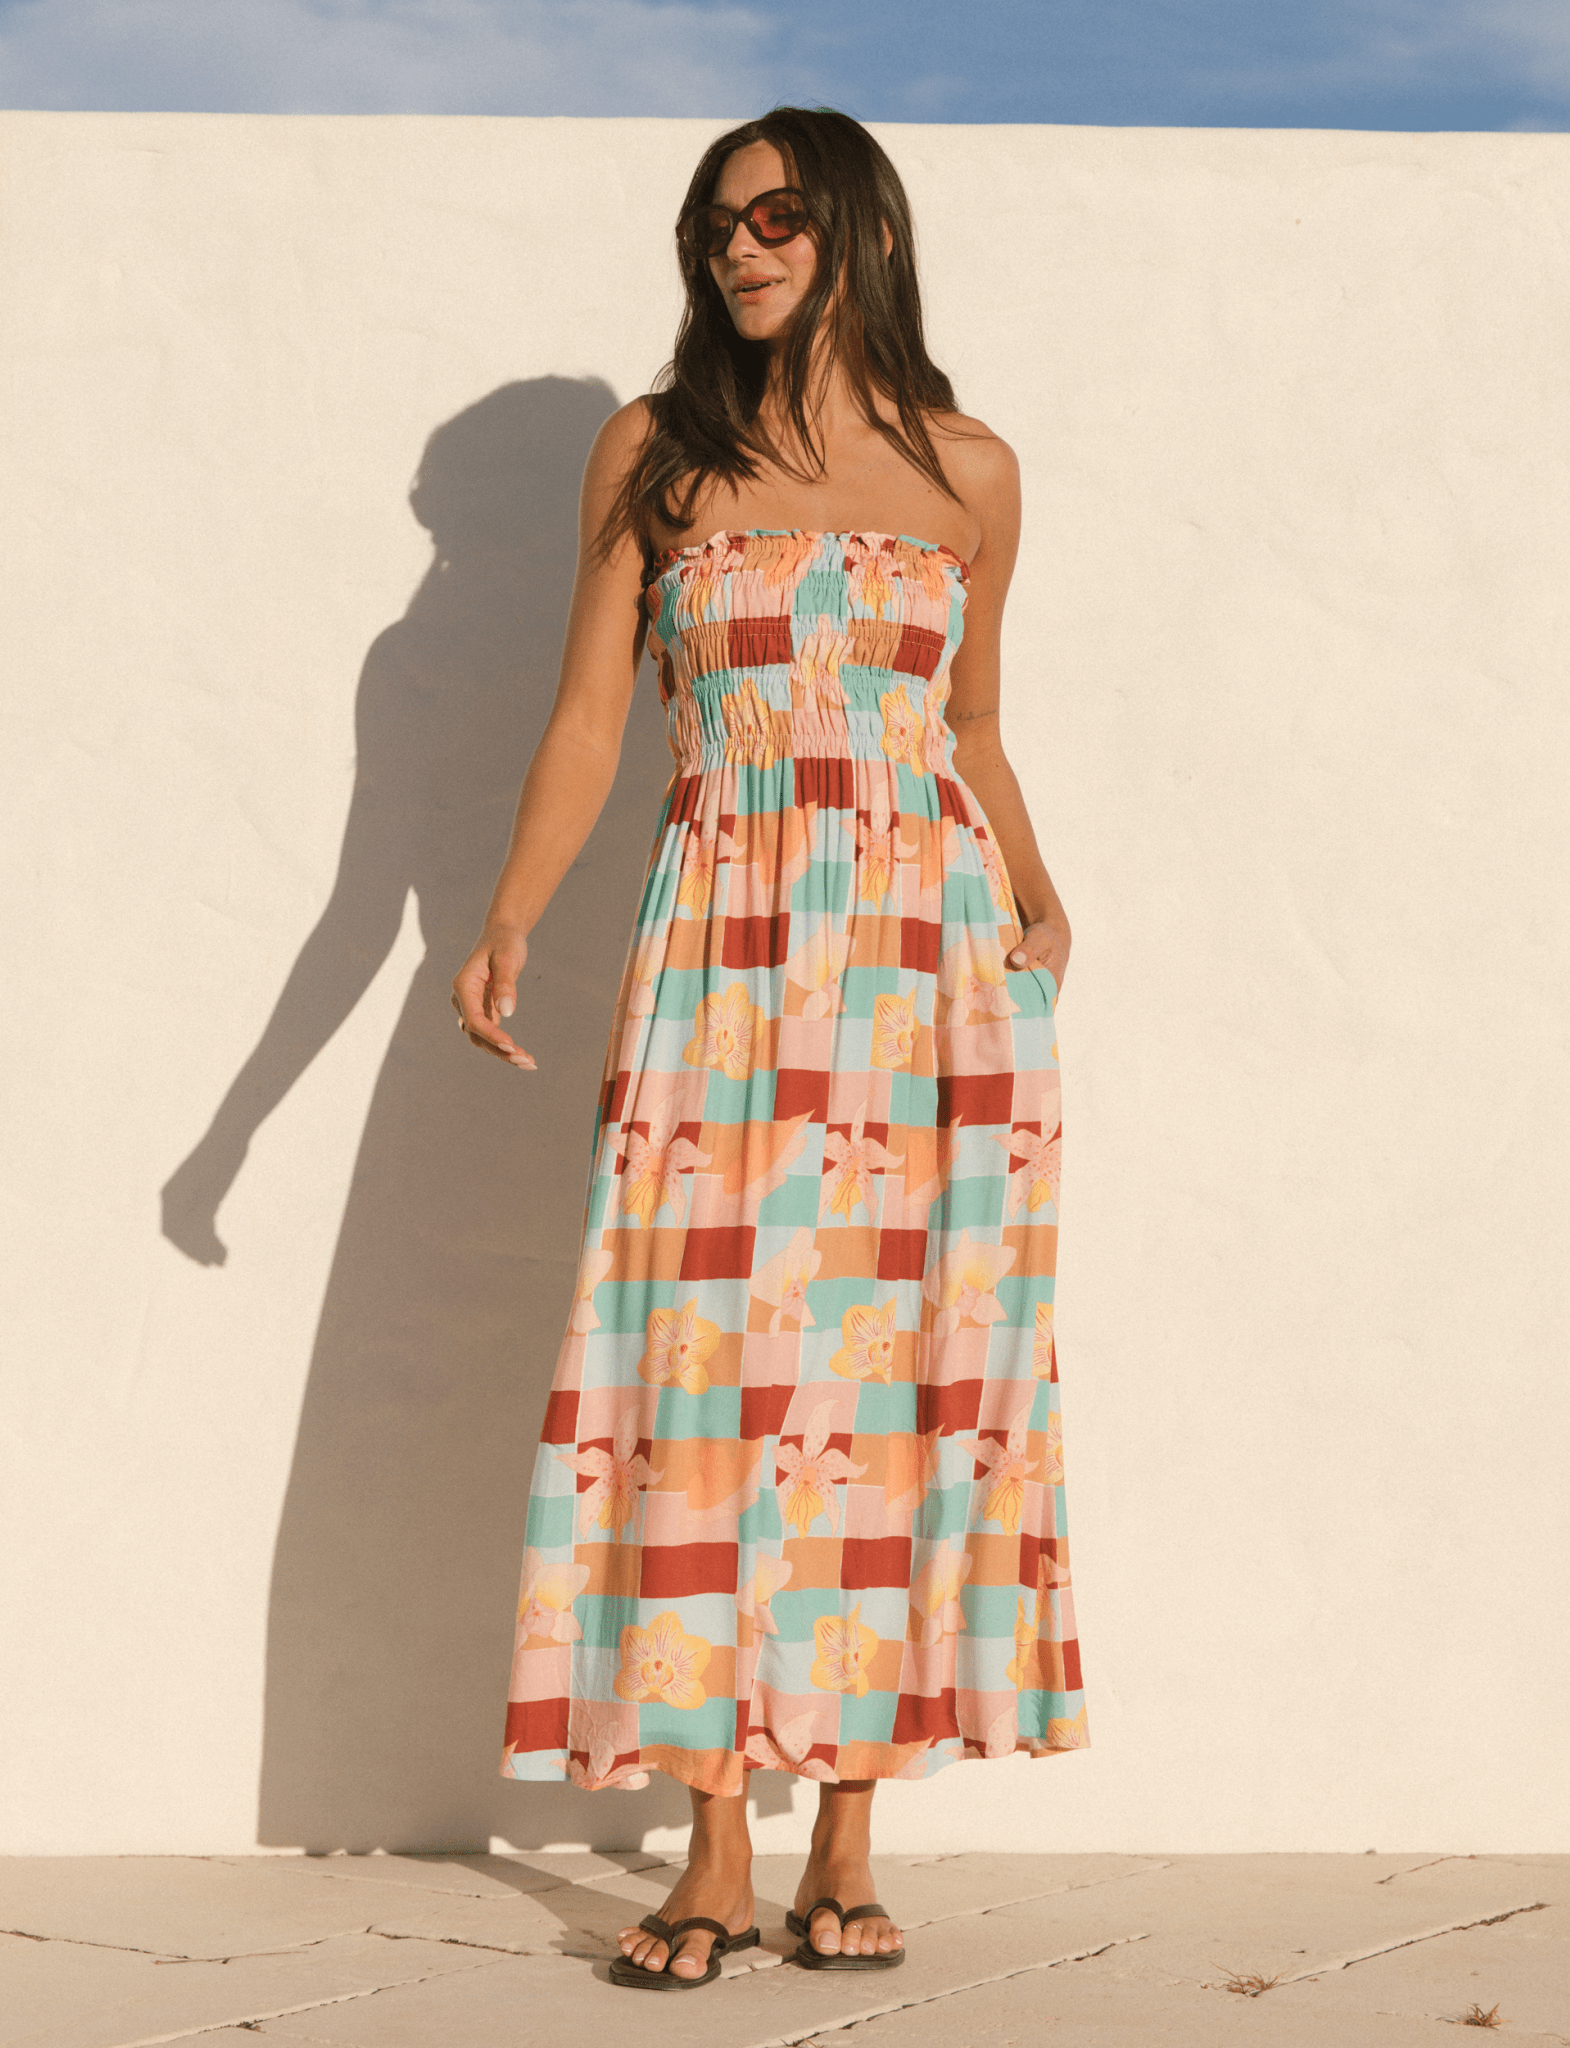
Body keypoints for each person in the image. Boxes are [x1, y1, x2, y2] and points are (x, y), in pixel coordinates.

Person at [452, 106, 1087, 1993]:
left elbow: (971, 726)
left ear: (858, 231)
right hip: (720, 958)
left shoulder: (970, 472)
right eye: (715, 224)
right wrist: (508, 915)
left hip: (926, 970)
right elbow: (590, 717)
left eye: (778, 216)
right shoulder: (655, 454)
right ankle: (713, 1844)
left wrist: (1045, 902)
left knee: (895, 1382)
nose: (739, 247)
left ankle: (847, 1842)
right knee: (703, 1372)